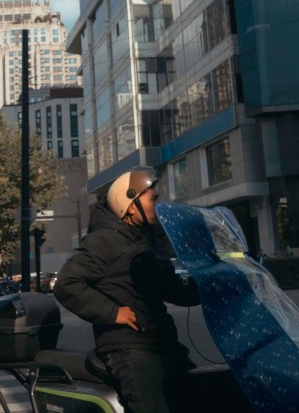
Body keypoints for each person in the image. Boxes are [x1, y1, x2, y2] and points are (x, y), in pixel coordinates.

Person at [54, 167, 200, 413]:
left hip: (159, 340)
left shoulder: (148, 239)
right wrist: (112, 312)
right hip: (129, 348)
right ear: (130, 205)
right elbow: (66, 284)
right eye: (153, 198)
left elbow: (168, 286)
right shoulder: (104, 240)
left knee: (197, 396)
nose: (158, 203)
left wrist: (206, 289)